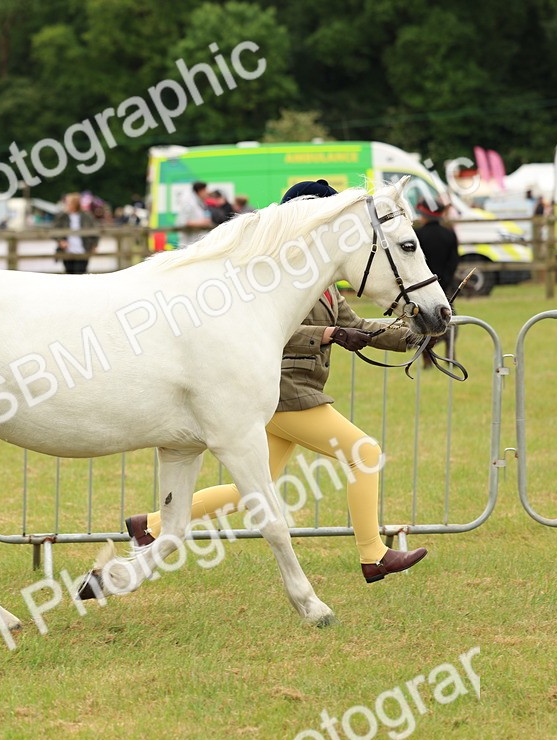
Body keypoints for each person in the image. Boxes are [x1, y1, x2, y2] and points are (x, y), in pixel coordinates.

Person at [118, 180, 430, 584]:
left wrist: (412, 334)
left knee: (249, 490)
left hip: (299, 391)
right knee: (364, 454)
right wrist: (326, 335)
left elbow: (355, 326)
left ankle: (151, 526)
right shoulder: (269, 279)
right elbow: (268, 331)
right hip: (285, 392)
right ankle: (374, 555)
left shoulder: (322, 285)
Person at [415, 201, 460, 366]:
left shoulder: (417, 235)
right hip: (444, 287)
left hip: (422, 287)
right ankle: (450, 354)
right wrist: (445, 281)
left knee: (424, 323)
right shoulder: (449, 234)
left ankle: (427, 358)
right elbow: (454, 261)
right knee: (449, 320)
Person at [52, 193, 98, 275]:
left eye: (68, 202)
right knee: (69, 273)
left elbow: (95, 231)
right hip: (67, 251)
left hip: (83, 250)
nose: (66, 204)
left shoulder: (87, 216)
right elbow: (54, 231)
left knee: (80, 273)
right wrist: (60, 241)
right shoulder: (62, 217)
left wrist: (94, 245)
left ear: (75, 203)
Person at [175, 181, 214, 245]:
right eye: (205, 190)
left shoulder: (200, 203)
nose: (207, 192)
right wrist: (201, 223)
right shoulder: (188, 203)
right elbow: (183, 222)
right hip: (189, 243)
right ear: (199, 191)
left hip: (198, 241)